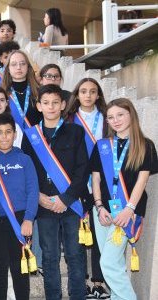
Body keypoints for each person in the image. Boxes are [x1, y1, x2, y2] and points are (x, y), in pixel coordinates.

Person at [21, 84, 89, 300]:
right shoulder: (30, 136)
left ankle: (78, 296)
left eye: (55, 103)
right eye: (46, 103)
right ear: (39, 106)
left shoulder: (76, 131)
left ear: (62, 105)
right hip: (44, 205)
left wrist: (66, 198)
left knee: (75, 255)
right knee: (49, 257)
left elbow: (83, 168)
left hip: (70, 205)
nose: (51, 107)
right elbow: (27, 171)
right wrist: (39, 197)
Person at [91, 98, 157, 300]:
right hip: (103, 211)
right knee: (115, 263)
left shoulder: (145, 145)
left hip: (128, 210)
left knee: (108, 263)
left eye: (120, 115)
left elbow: (142, 180)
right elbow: (96, 178)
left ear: (131, 115)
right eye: (110, 117)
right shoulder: (102, 145)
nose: (115, 120)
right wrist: (99, 206)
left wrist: (129, 209)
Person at [63, 77, 110, 299]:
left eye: (93, 91)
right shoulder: (69, 119)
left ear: (98, 95)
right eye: (83, 91)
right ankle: (81, 280)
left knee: (99, 234)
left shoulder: (107, 119)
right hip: (78, 182)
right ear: (77, 95)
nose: (88, 95)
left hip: (102, 182)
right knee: (80, 234)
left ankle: (99, 281)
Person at [0, 113, 39, 300]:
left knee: (20, 267)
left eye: (8, 132)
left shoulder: (25, 160)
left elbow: (33, 191)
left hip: (20, 220)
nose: (4, 136)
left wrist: (28, 219)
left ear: (15, 134)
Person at [1, 50, 42, 130]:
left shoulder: (39, 91)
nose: (18, 67)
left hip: (35, 139)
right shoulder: (1, 93)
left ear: (28, 67)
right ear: (8, 68)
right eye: (14, 64)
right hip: (10, 140)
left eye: (22, 64)